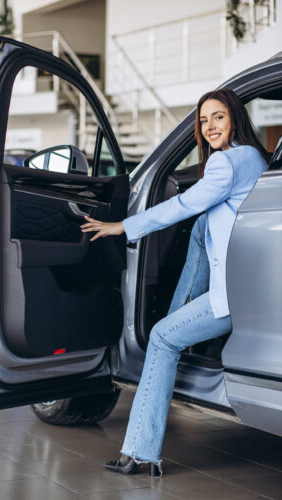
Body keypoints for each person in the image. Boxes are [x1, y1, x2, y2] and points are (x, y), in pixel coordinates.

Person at [81, 88, 270, 477]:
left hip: (233, 296)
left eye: (218, 117)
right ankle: (178, 321)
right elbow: (201, 217)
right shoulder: (255, 157)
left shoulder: (224, 164)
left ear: (234, 116)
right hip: (251, 286)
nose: (210, 126)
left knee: (163, 339)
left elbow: (181, 205)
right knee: (202, 227)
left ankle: (141, 453)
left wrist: (122, 225)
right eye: (203, 121)